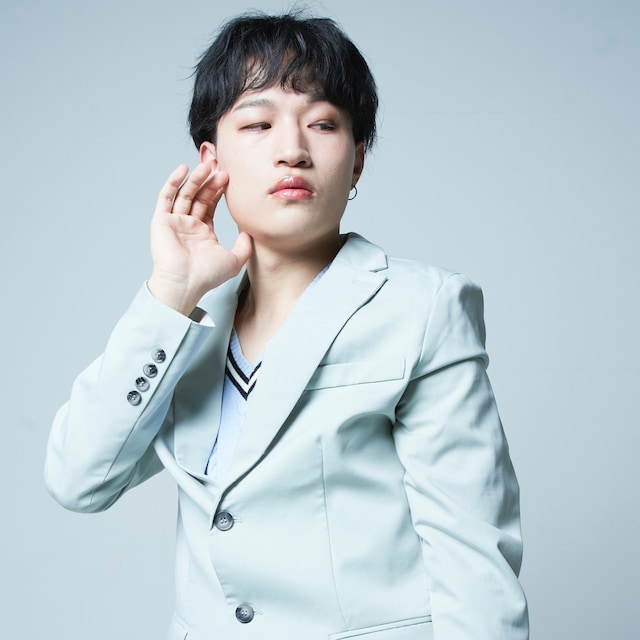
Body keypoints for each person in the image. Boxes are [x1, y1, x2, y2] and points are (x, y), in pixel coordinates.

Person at [45, 11, 529, 640]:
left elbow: (475, 568)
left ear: (357, 160)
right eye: (258, 123)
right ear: (211, 161)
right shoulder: (187, 324)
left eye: (323, 123)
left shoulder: (423, 308)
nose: (293, 149)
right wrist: (171, 293)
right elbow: (80, 480)